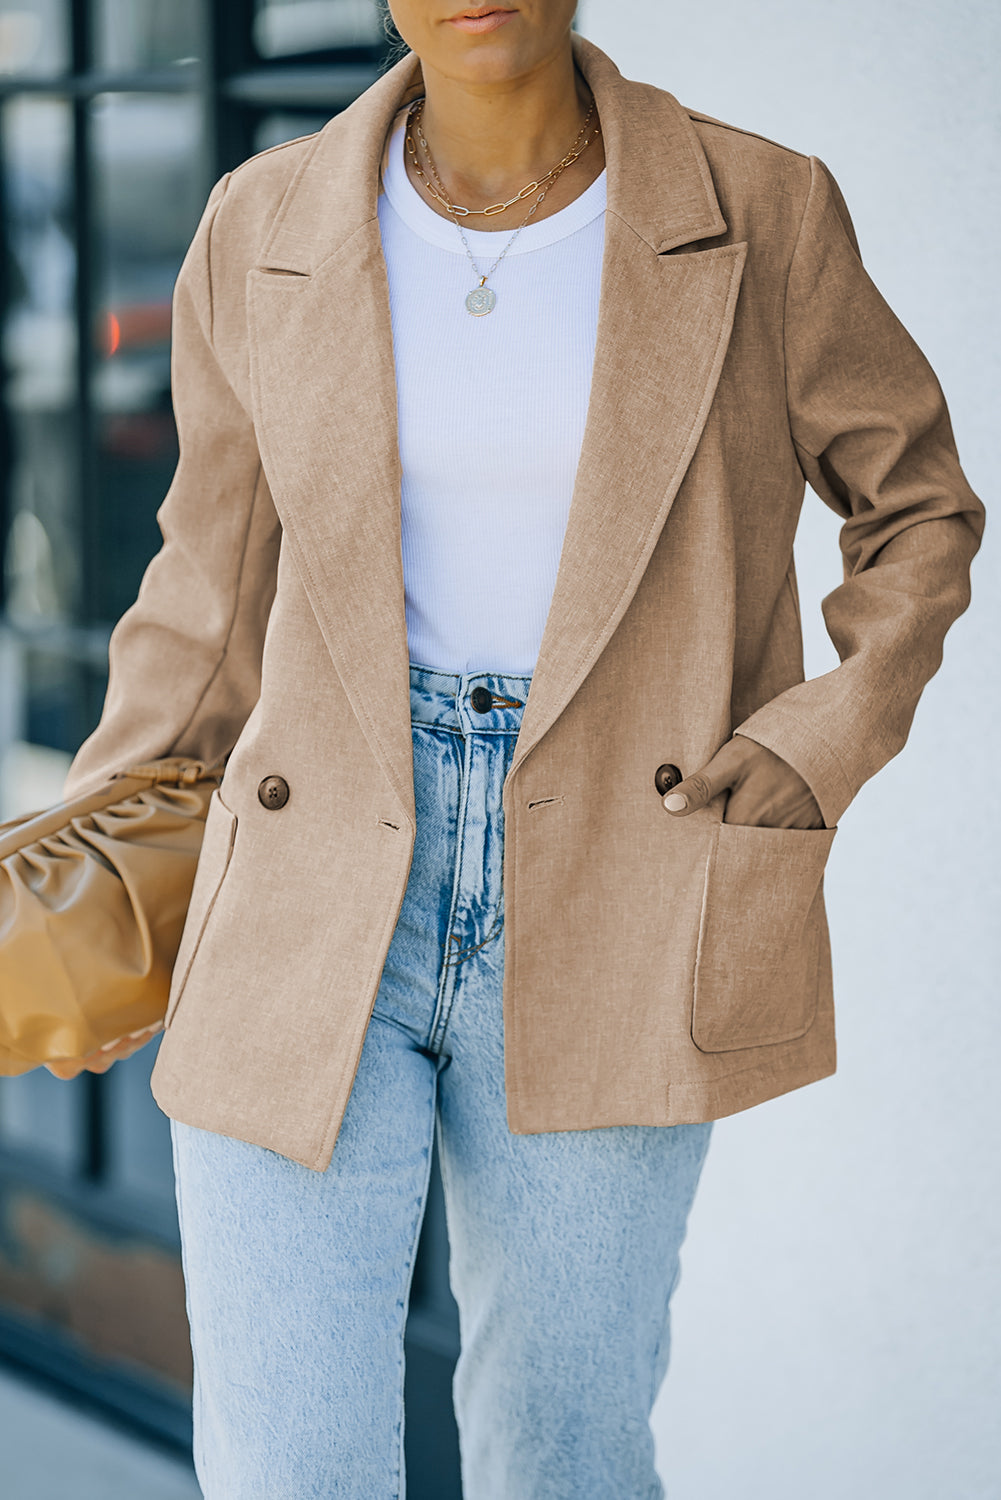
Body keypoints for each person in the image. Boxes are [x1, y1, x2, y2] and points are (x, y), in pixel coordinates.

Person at [51, 2, 985, 1495]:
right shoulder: (262, 220)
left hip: (624, 865)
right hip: (308, 866)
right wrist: (89, 852)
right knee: (287, 1460)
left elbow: (918, 508)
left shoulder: (761, 207)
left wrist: (821, 735)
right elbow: (204, 591)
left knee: (565, 1453)